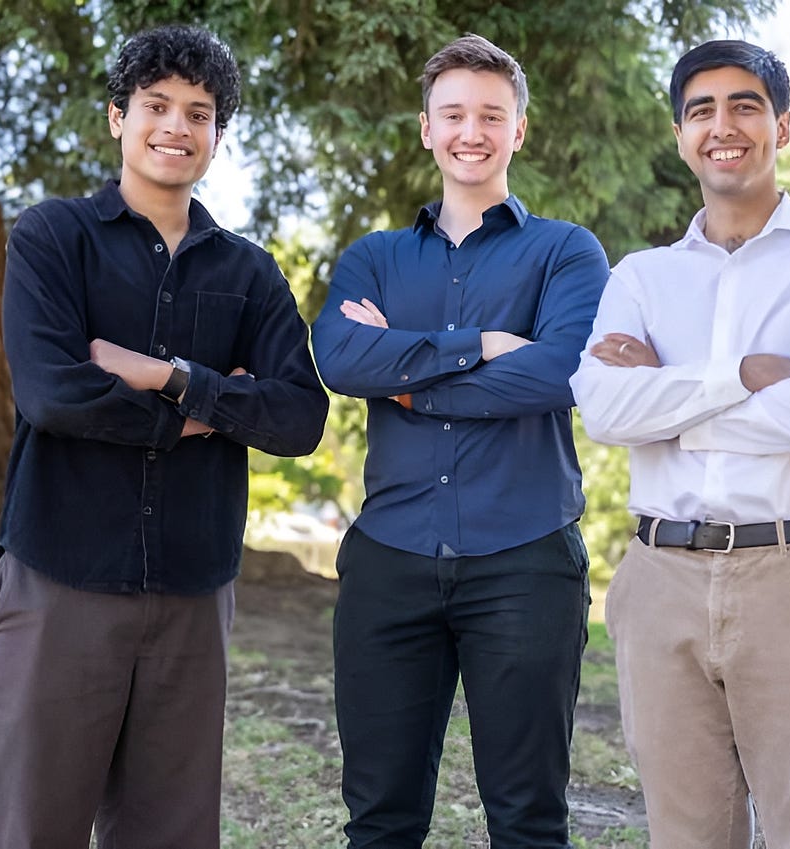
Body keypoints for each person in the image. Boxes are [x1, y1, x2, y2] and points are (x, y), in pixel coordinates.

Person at [0, 24, 328, 848]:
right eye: (157, 105)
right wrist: (215, 408)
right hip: (61, 573)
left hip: (192, 589)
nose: (176, 126)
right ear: (116, 117)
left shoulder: (250, 273)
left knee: (170, 832)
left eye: (199, 112)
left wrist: (163, 375)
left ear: (217, 135)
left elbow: (300, 417)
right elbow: (54, 393)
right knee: (33, 824)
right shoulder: (51, 239)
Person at [570, 40, 790, 849]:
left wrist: (669, 396)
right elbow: (605, 410)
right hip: (660, 581)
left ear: (781, 127)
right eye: (701, 109)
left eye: (745, 105)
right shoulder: (642, 277)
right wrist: (747, 372)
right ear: (681, 134)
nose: (724, 125)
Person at [311, 33, 610, 848]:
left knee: (527, 819)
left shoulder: (566, 251)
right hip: (389, 560)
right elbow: (339, 358)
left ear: (519, 130)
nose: (470, 131)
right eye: (453, 114)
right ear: (425, 128)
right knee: (379, 821)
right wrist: (481, 344)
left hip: (525, 561)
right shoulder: (373, 258)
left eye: (490, 115)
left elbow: (559, 375)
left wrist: (400, 370)